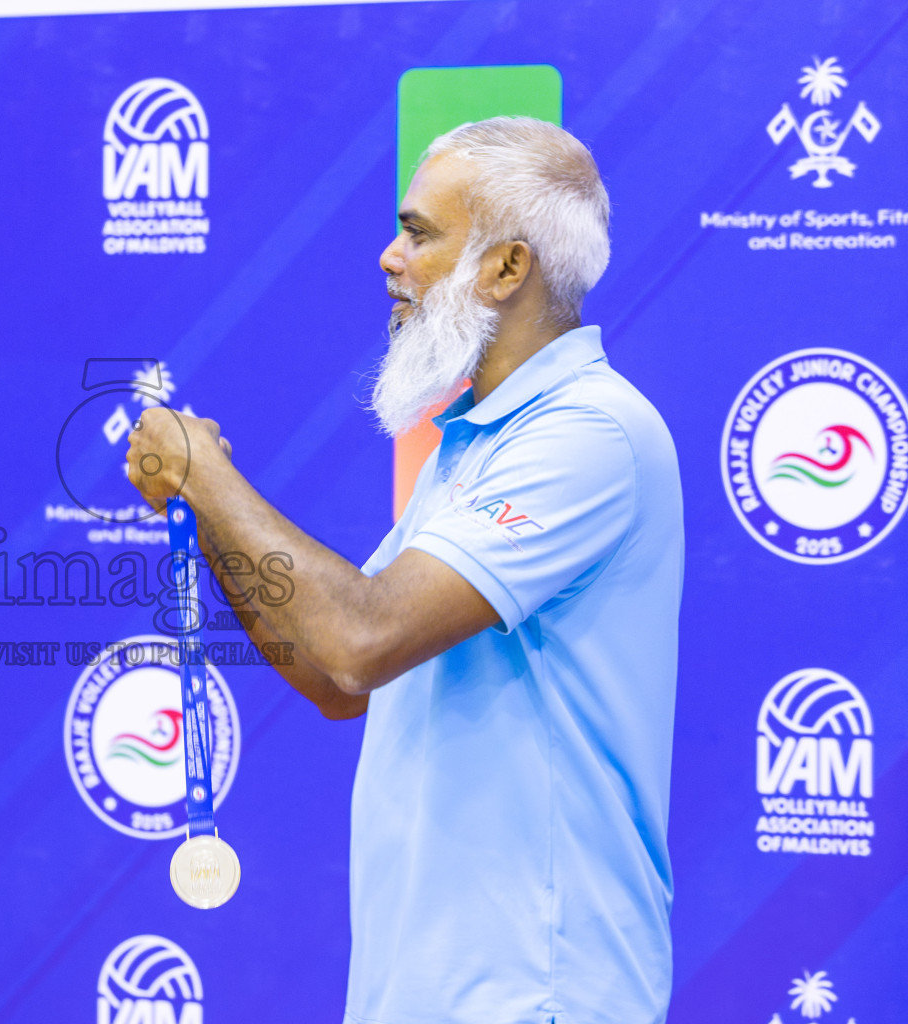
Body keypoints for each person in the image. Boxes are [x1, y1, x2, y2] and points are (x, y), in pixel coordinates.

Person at [125, 116, 683, 1024]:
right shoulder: (475, 443)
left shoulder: (590, 432)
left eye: (419, 233)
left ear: (507, 268)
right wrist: (206, 502)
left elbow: (355, 641)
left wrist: (210, 475)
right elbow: (334, 678)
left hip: (534, 996)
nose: (389, 257)